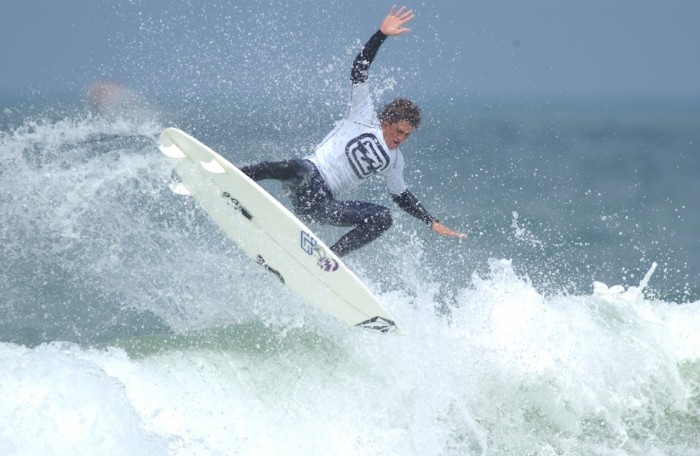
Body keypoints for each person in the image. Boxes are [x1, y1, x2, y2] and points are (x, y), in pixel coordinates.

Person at [240, 5, 467, 257]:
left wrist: (430, 220)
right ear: (388, 119)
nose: (401, 139)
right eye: (399, 131)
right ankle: (236, 176)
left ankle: (327, 259)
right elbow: (360, 67)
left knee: (382, 218)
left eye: (407, 136)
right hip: (307, 178)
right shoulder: (363, 115)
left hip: (323, 204)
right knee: (297, 166)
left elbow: (401, 195)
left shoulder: (395, 161)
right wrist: (381, 34)